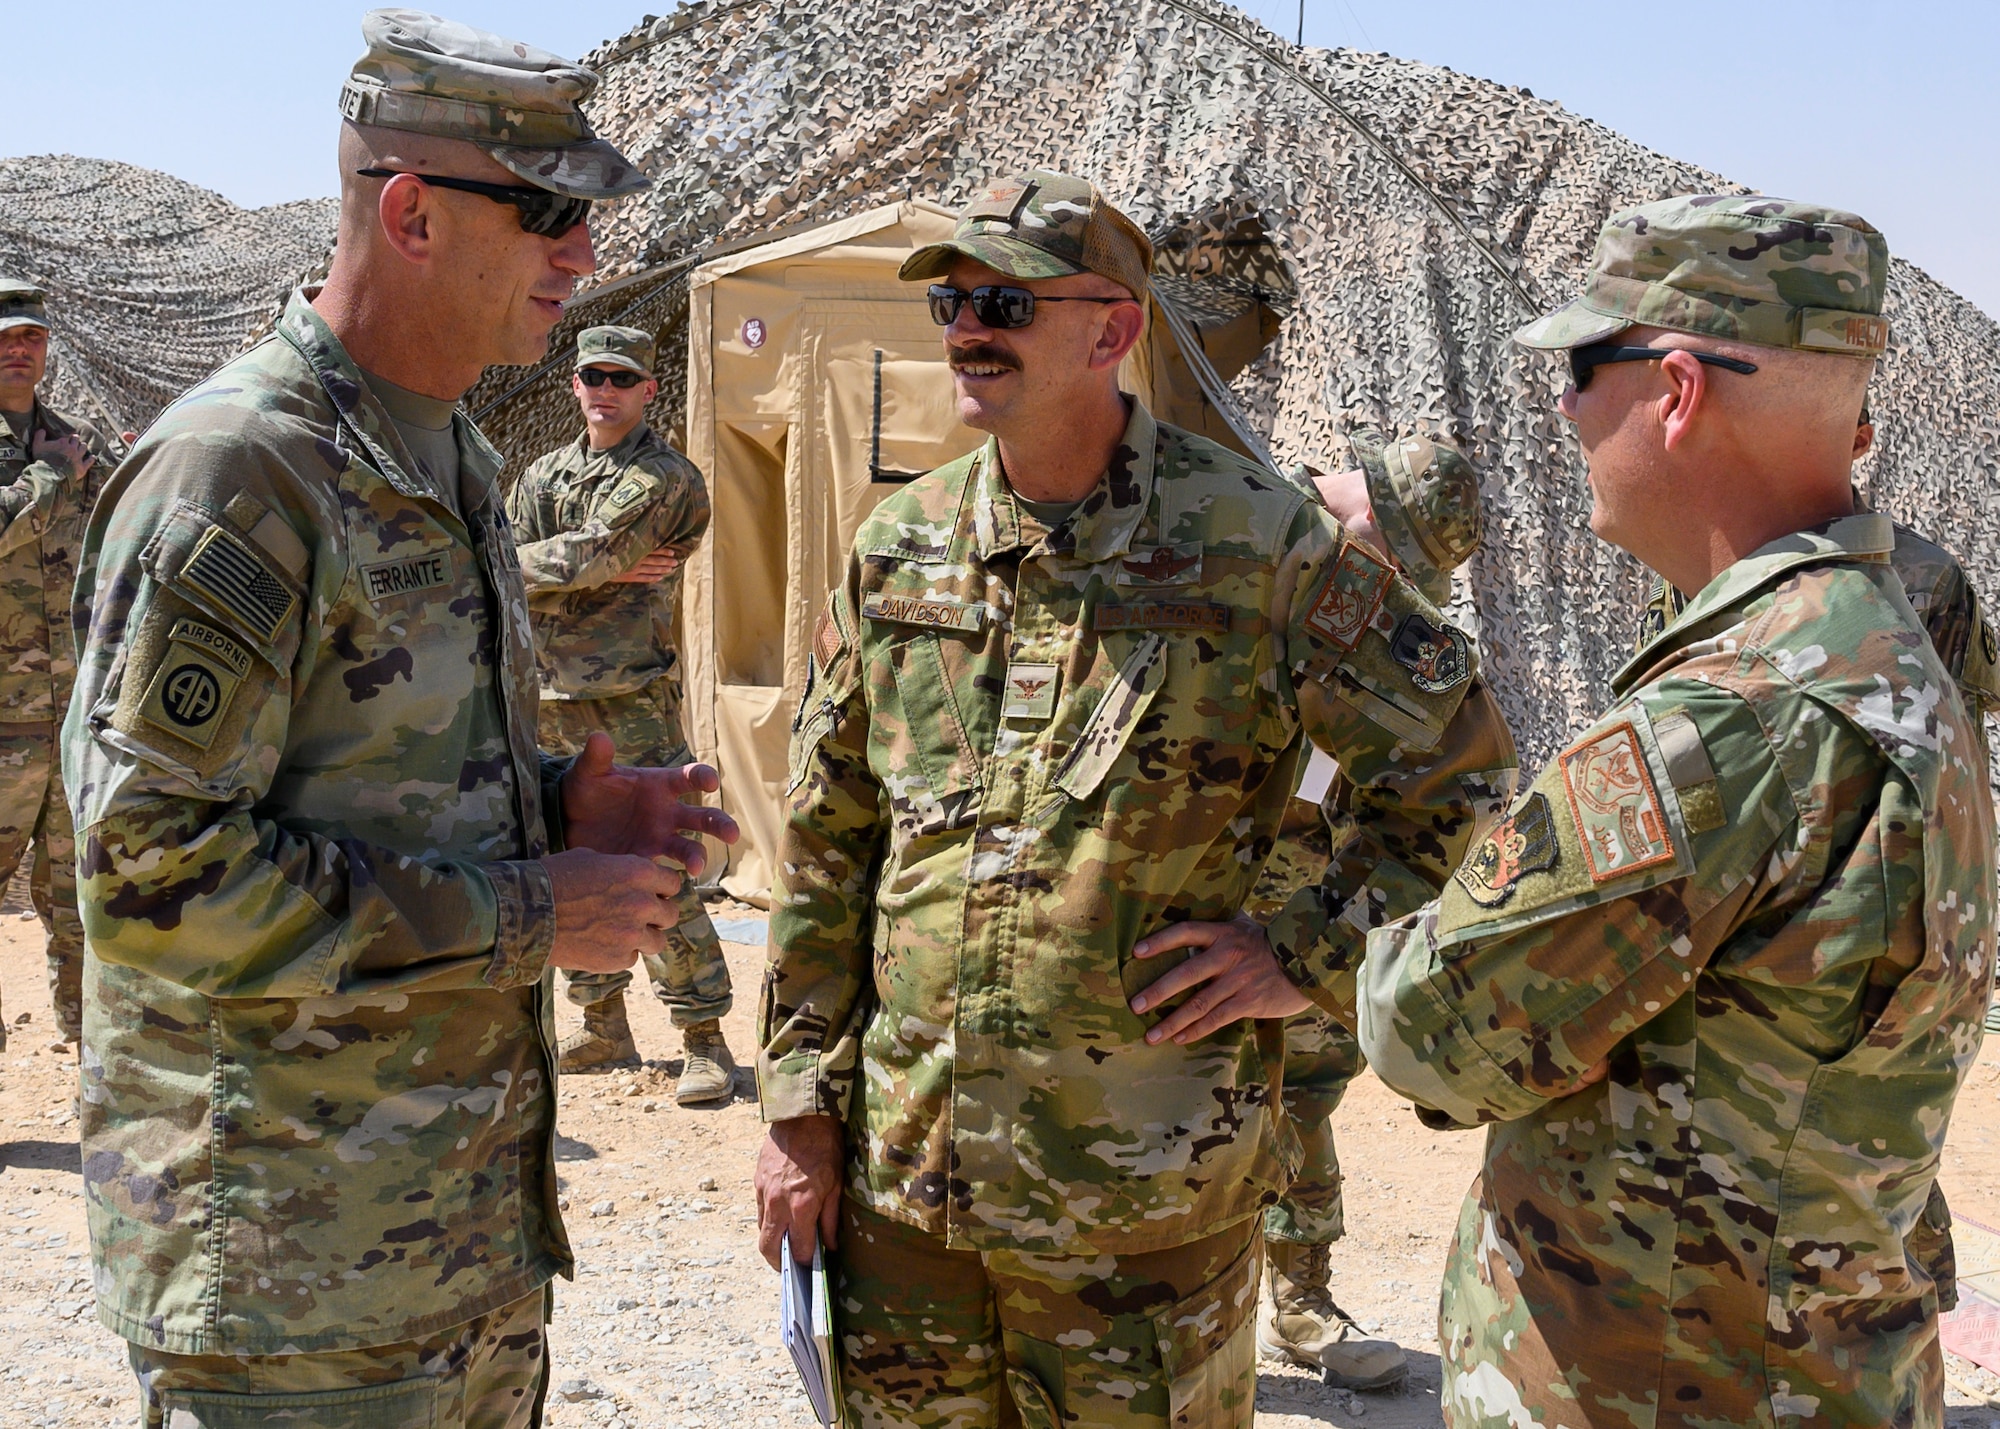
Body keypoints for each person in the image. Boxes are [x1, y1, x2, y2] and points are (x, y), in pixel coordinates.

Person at [753, 169, 1515, 1427]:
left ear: (1112, 330)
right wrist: (794, 1109)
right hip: (907, 1200)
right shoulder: (902, 544)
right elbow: (830, 839)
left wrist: (1303, 955)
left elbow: (1460, 781)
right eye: (948, 302)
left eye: (1000, 300)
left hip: (1141, 1216)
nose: (964, 330)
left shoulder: (1259, 547)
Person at [63, 13, 735, 1426]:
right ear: (412, 212)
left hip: (451, 1258)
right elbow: (149, 875)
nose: (585, 258)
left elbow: (368, 773)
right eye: (549, 212)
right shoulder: (239, 470)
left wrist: (558, 806)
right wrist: (531, 909)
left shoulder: (449, 442)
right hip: (292, 1294)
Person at [1342, 196, 1996, 1426]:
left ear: (1678, 390)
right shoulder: (1888, 642)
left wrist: (1375, 934)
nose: (1564, 407)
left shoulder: (1729, 723)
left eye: (1586, 368)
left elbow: (1428, 1034)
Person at [1247, 430, 1487, 1389]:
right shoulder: (1252, 526)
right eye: (1390, 558)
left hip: (1308, 880)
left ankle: (1299, 1302)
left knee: (1304, 1089)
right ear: (1365, 510)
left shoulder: (1363, 589)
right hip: (1200, 874)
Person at [506, 323, 737, 1102]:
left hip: (631, 698)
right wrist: (574, 563)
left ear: (648, 390)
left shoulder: (664, 475)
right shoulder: (544, 474)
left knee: (660, 859)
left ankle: (704, 1033)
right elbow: (512, 561)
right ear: (574, 385)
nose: (605, 388)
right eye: (592, 375)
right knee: (565, 855)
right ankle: (600, 1021)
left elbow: (584, 554)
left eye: (622, 377)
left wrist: (568, 562)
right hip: (549, 695)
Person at [0, 277, 117, 1053]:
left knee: (83, 902)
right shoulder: (59, 457)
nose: (19, 350)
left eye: (32, 338)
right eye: (8, 337)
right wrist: (49, 478)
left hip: (74, 719)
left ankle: (95, 1072)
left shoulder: (78, 439)